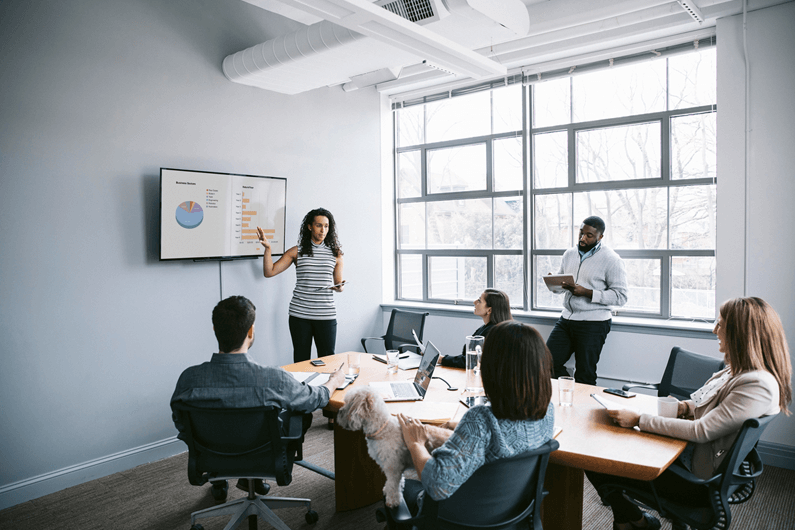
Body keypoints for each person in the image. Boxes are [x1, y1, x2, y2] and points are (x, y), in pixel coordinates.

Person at [586, 297, 792, 530]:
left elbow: (701, 430)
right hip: (689, 458)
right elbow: (709, 404)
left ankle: (633, 520)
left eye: (720, 324)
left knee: (594, 456)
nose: (715, 330)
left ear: (739, 334)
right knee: (606, 445)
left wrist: (639, 420)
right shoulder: (738, 371)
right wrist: (683, 407)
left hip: (694, 483)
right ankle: (631, 521)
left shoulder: (756, 384)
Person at [170, 295, 345, 502]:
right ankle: (251, 475)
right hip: (265, 459)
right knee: (299, 411)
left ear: (215, 330)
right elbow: (315, 399)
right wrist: (334, 381)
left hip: (212, 458)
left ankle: (222, 479)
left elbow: (181, 424)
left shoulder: (189, 378)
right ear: (251, 331)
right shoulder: (273, 378)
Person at [394, 321, 555, 517]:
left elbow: (437, 486)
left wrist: (415, 443)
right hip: (510, 513)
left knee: (400, 484)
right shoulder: (547, 412)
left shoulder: (480, 420)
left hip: (458, 517)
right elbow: (502, 442)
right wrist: (462, 429)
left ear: (494, 368)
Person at [546, 215, 627, 385]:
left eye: (589, 235)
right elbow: (562, 286)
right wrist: (555, 283)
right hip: (566, 320)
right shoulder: (569, 254)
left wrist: (587, 292)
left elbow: (620, 296)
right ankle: (567, 389)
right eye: (581, 233)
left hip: (593, 324)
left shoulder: (612, 260)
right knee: (545, 363)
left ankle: (583, 408)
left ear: (600, 237)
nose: (583, 238)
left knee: (585, 374)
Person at [257, 208, 345, 363]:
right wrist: (268, 249)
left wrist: (339, 287)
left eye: (326, 226)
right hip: (300, 315)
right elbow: (269, 272)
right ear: (310, 227)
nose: (323, 230)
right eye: (319, 225)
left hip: (326, 315)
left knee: (327, 361)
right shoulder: (297, 251)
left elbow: (339, 283)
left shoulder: (336, 253)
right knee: (301, 359)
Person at [440, 288, 512, 368]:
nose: (474, 302)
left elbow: (472, 361)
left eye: (479, 301)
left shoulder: (492, 332)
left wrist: (442, 359)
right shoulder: (486, 327)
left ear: (489, 310)